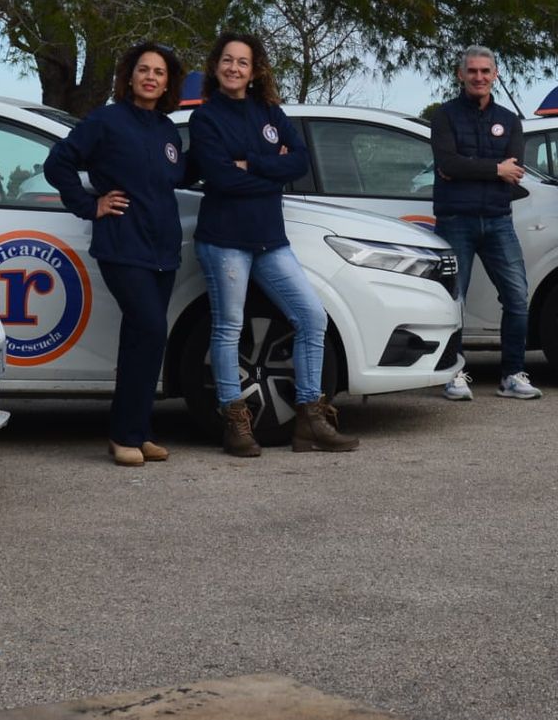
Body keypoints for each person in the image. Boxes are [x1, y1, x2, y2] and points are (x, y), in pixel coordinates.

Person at [190, 31, 358, 457]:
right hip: (224, 240)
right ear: (216, 66)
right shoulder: (205, 118)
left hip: (269, 240)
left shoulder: (270, 112)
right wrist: (270, 173)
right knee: (228, 327)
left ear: (254, 71)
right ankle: (235, 423)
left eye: (242, 62)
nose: (234, 68)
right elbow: (220, 177)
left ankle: (310, 419)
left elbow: (299, 162)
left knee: (311, 317)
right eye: (227, 60)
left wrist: (250, 164)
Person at [43, 41, 192, 466]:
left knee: (143, 341)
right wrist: (90, 206)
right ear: (129, 76)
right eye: (143, 69)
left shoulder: (166, 130)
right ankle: (124, 434)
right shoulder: (106, 121)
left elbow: (178, 174)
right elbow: (58, 164)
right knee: (150, 330)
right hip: (122, 247)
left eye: (159, 72)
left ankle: (137, 432)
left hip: (162, 249)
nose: (150, 77)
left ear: (168, 83)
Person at [430, 46, 541, 400]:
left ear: (495, 74)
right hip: (455, 220)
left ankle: (512, 375)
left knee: (517, 297)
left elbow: (515, 171)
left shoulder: (509, 120)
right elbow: (448, 165)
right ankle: (454, 374)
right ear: (460, 74)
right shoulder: (444, 116)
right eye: (472, 71)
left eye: (485, 71)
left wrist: (469, 169)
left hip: (497, 220)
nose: (479, 77)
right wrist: (494, 169)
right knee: (452, 301)